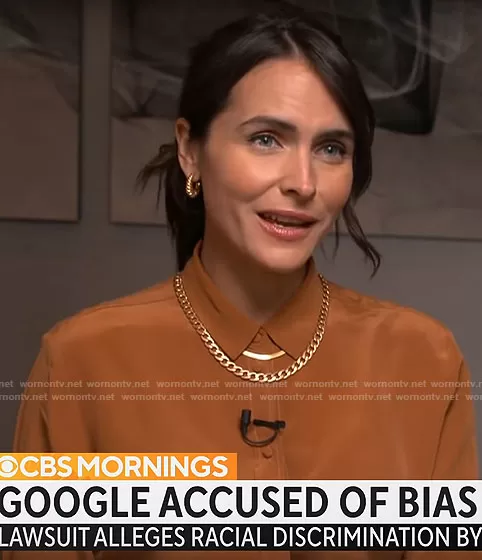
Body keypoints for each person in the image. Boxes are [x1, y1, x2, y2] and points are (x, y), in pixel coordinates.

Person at [7, 7, 479, 560]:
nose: (303, 183)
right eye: (266, 139)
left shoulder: (425, 360)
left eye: (331, 148)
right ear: (190, 149)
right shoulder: (78, 362)